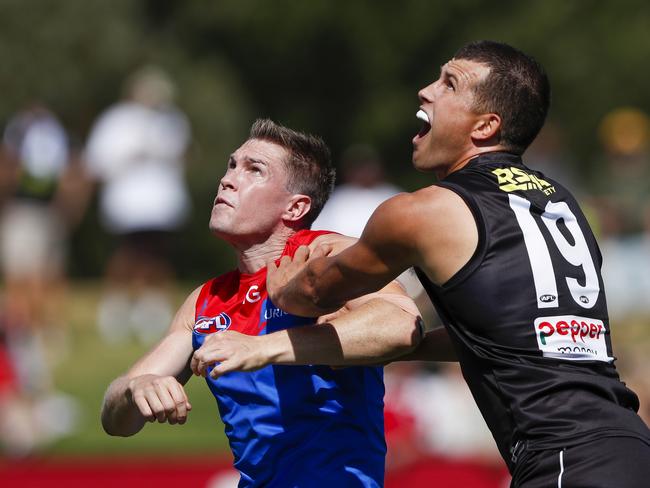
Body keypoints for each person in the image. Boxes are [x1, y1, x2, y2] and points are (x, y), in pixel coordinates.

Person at [266, 41, 650, 487]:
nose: (426, 91)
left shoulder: (423, 212)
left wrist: (281, 284)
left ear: (486, 125)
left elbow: (315, 290)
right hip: (627, 446)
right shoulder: (560, 201)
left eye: (449, 83)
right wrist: (394, 345)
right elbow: (514, 334)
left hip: (566, 462)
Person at [101, 119, 422, 487]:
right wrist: (135, 389)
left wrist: (262, 347)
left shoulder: (328, 256)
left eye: (254, 170)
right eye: (232, 165)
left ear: (295, 207)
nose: (228, 179)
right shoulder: (207, 300)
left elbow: (402, 323)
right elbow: (116, 421)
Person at [85, 65, 192, 344]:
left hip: (161, 205)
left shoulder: (172, 120)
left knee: (157, 257)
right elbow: (97, 160)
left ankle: (152, 312)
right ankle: (116, 310)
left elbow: (181, 157)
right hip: (128, 204)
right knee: (127, 256)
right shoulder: (116, 121)